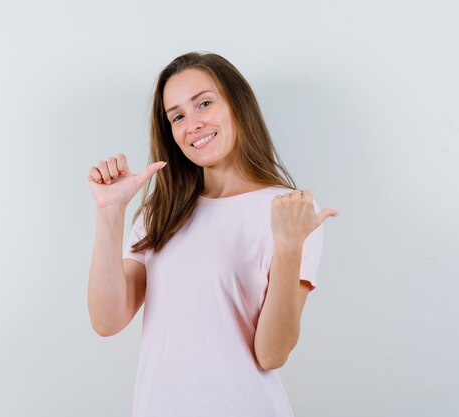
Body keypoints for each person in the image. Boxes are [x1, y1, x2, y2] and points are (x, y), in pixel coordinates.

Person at [86, 52, 339, 417]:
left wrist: (287, 248)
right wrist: (110, 212)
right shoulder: (162, 212)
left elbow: (272, 354)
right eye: (177, 116)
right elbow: (107, 321)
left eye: (204, 103)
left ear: (237, 104)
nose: (193, 124)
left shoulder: (288, 211)